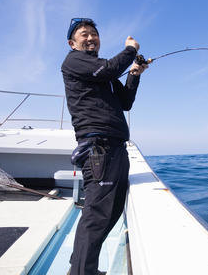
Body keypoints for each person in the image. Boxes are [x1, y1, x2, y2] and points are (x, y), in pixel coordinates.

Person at [61, 18, 149, 275]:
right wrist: (131, 50)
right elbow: (109, 68)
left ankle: (79, 267)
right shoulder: (74, 61)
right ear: (72, 43)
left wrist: (134, 74)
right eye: (84, 34)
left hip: (115, 148)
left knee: (107, 214)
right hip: (99, 148)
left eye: (94, 34)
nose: (90, 38)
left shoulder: (103, 72)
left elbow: (125, 102)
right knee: (97, 214)